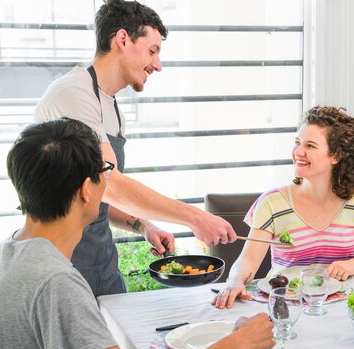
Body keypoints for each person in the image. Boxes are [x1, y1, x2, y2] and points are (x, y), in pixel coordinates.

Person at [0, 118, 275, 349]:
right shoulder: (56, 282)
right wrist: (237, 344)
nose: (108, 181)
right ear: (86, 190)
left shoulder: (3, 253)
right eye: (106, 171)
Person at [34, 0, 237, 296]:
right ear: (123, 39)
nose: (157, 64)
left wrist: (144, 226)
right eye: (152, 50)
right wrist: (196, 218)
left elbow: (97, 195)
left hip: (100, 260)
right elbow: (109, 183)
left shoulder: (113, 110)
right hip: (64, 267)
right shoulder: (73, 95)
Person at [213, 106, 354, 309]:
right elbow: (248, 260)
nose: (298, 152)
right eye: (297, 143)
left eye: (310, 146)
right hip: (286, 305)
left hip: (339, 305)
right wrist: (234, 281)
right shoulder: (272, 203)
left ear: (335, 156)